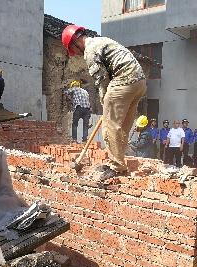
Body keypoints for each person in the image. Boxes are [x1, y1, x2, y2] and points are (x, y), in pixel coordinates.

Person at [62, 25, 146, 181]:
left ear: (75, 43)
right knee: (122, 126)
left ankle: (116, 166)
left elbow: (102, 81)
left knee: (109, 126)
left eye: (75, 51)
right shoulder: (101, 40)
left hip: (124, 78)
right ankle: (119, 161)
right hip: (139, 82)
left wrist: (105, 104)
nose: (78, 54)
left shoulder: (90, 51)